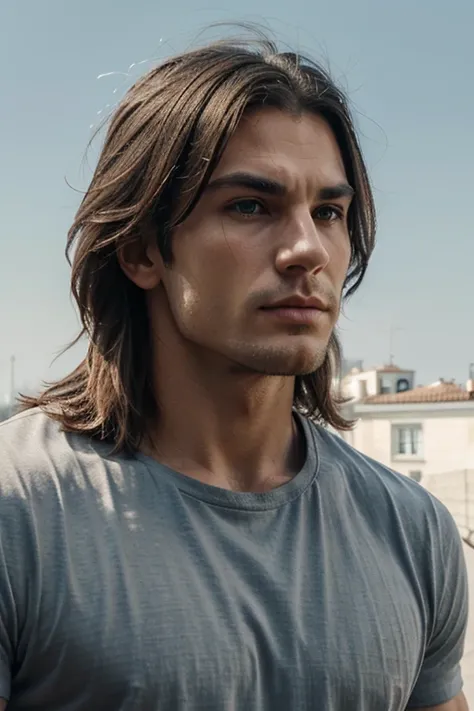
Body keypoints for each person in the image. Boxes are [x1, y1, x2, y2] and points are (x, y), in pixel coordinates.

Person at [0, 31, 469, 711]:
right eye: (251, 205)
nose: (306, 247)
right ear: (140, 250)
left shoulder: (412, 531)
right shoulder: (22, 512)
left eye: (330, 212)